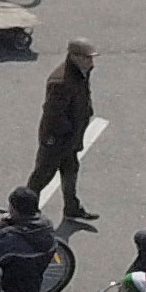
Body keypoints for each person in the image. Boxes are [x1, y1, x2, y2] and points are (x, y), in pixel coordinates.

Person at [25, 40, 96, 219]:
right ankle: (23, 209)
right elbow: (53, 115)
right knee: (43, 174)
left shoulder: (80, 73)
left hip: (70, 138)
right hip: (58, 139)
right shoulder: (62, 82)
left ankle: (71, 208)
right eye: (87, 58)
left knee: (70, 171)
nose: (91, 62)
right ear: (74, 56)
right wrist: (67, 133)